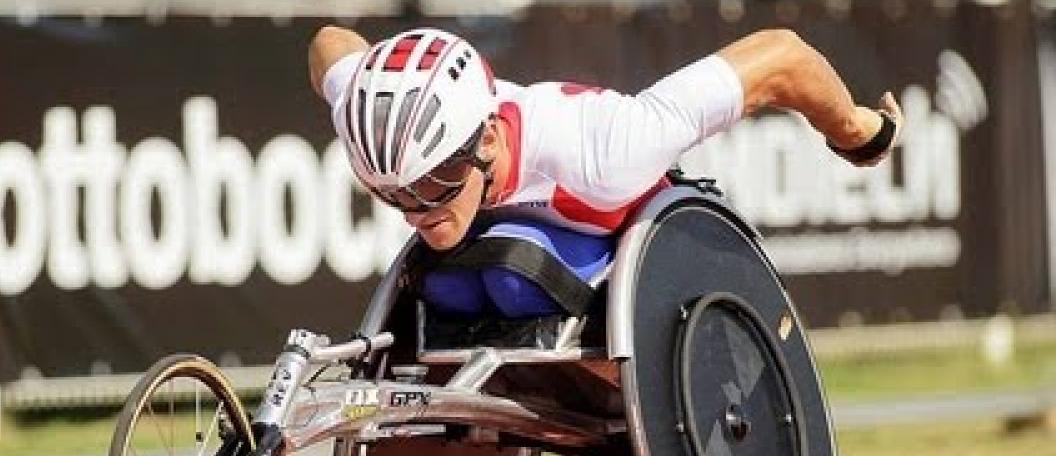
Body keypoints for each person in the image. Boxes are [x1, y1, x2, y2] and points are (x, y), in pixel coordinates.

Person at [307, 24, 902, 317]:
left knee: (509, 279)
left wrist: (857, 132)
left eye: (435, 184)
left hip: (617, 236)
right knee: (450, 285)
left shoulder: (610, 147)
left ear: (484, 139)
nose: (419, 211)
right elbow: (330, 43)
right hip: (510, 240)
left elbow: (785, 59)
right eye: (394, 196)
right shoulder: (377, 123)